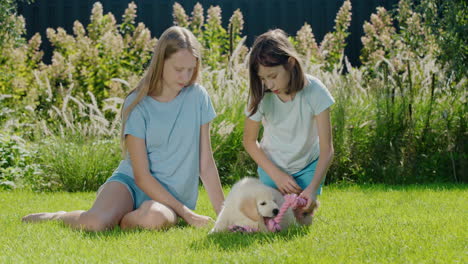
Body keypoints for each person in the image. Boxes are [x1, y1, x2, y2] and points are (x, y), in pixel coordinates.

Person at [22, 26, 225, 231]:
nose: (186, 77)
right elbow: (141, 176)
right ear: (160, 63)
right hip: (130, 184)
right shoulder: (137, 103)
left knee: (153, 218)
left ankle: (124, 218)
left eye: (191, 69)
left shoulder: (198, 97)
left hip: (167, 200)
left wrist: (225, 217)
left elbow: (205, 163)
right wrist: (187, 213)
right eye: (178, 69)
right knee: (96, 223)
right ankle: (58, 217)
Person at [243, 29, 334, 223]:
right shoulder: (261, 94)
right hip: (272, 168)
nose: (268, 84)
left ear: (290, 63)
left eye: (273, 75)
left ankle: (308, 204)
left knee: (300, 219)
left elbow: (327, 149)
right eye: (262, 78)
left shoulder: (315, 91)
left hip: (307, 167)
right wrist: (276, 175)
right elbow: (249, 141)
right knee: (270, 219)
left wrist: (311, 189)